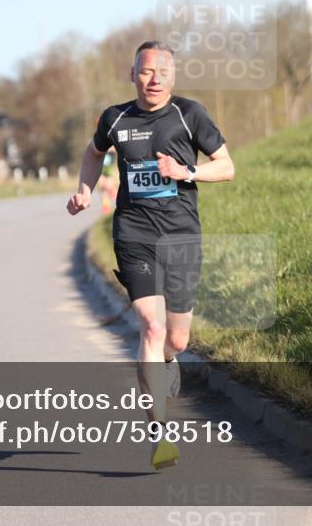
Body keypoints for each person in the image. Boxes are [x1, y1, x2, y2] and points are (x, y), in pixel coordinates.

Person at [66, 41, 234, 469]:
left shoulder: (189, 113)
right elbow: (93, 152)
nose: (154, 78)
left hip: (180, 235)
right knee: (150, 326)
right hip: (134, 231)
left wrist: (187, 171)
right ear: (133, 74)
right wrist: (86, 189)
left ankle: (170, 361)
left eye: (163, 71)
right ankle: (158, 432)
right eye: (146, 71)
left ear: (173, 76)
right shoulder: (115, 118)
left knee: (176, 339)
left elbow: (226, 165)